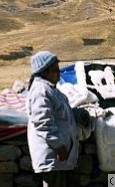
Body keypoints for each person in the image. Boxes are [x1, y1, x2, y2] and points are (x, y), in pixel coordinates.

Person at [26, 50, 81, 187]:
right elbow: (43, 122)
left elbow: (61, 114)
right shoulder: (41, 91)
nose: (59, 73)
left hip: (61, 160)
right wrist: (59, 146)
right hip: (54, 157)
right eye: (55, 70)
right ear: (45, 72)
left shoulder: (51, 90)